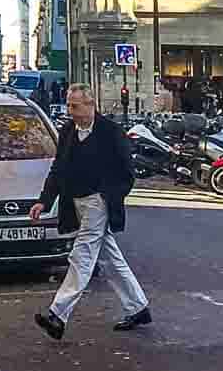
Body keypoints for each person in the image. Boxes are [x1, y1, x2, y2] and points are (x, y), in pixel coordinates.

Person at [31, 83, 150, 341]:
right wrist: (44, 200)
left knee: (82, 255)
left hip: (99, 201)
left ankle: (57, 315)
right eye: (69, 105)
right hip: (76, 200)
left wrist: (110, 197)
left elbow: (127, 172)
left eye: (75, 106)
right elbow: (58, 168)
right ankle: (138, 307)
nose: (70, 111)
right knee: (109, 257)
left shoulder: (110, 132)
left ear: (90, 104)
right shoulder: (68, 131)